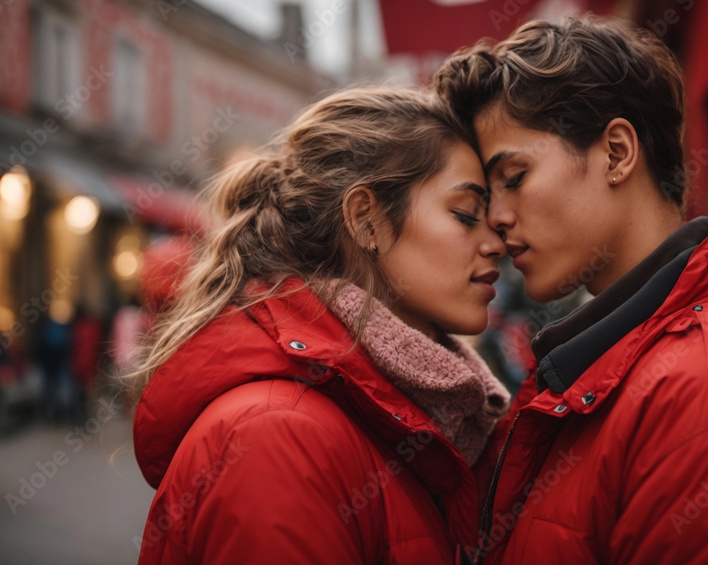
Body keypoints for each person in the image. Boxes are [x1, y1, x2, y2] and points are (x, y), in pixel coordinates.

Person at [434, 16, 708, 564]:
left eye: (513, 177)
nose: (498, 217)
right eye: (487, 195)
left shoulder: (705, 394)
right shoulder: (616, 365)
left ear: (618, 153)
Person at [128, 87, 510, 564]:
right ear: (366, 220)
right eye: (466, 215)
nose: (497, 242)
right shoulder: (277, 437)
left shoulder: (422, 411)